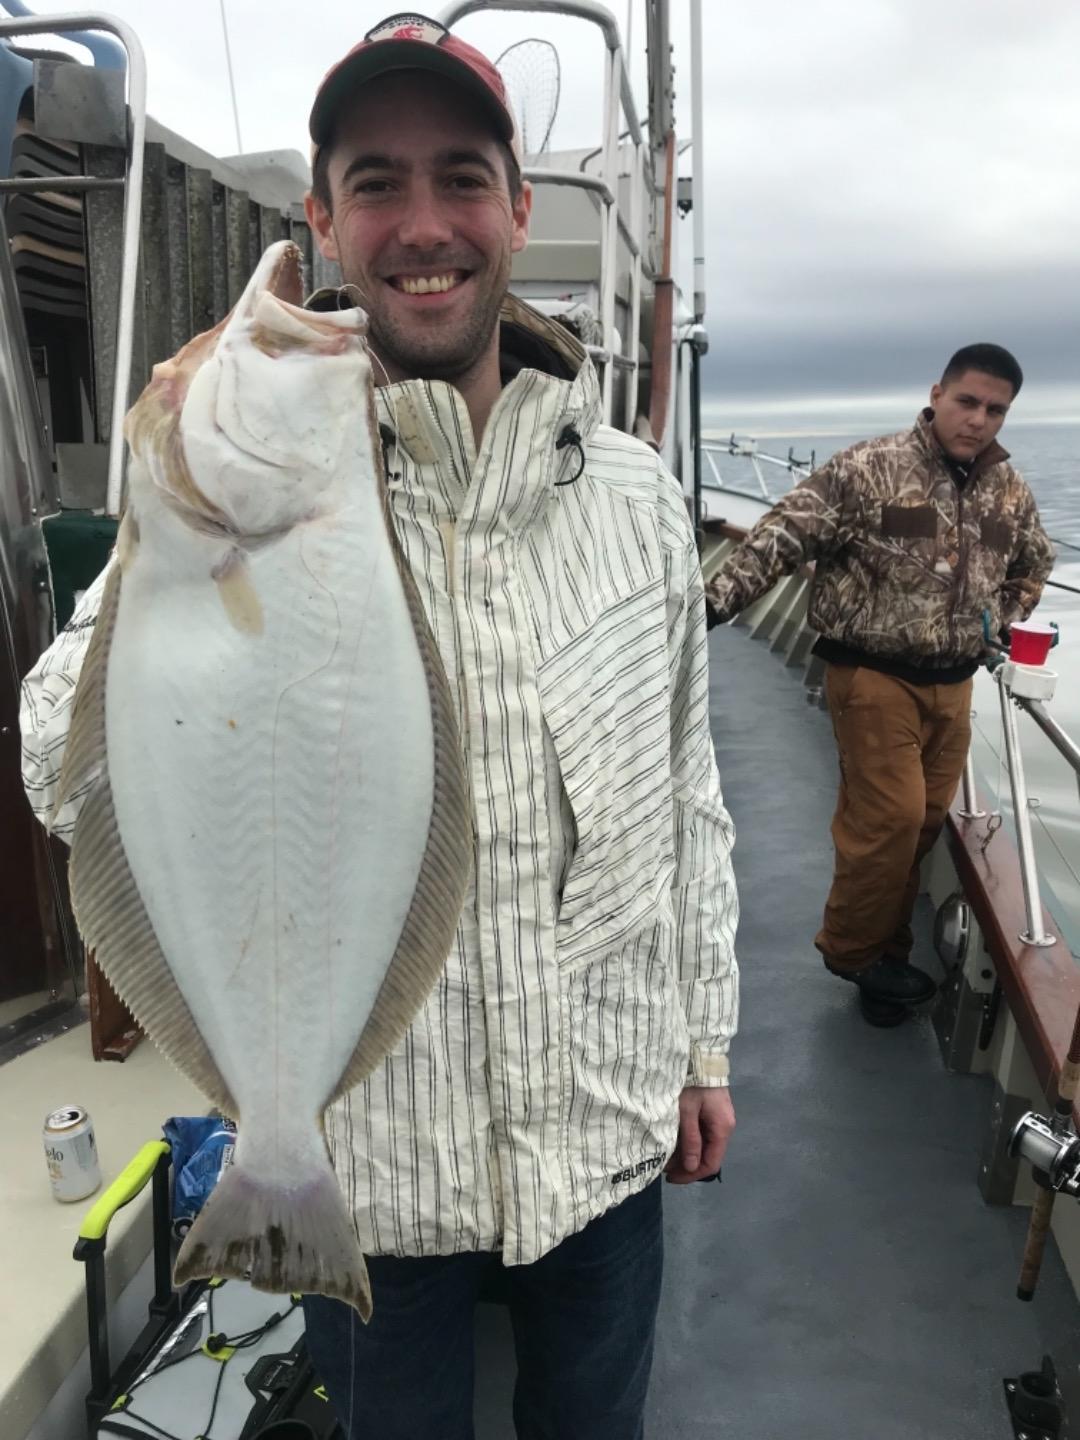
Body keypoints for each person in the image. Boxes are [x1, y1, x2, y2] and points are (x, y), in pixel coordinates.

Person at [19, 13, 739, 1438]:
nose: (425, 225)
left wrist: (703, 1050)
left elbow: (687, 792)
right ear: (324, 221)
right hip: (376, 1176)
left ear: (517, 209)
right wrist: (164, 531)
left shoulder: (640, 499)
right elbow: (60, 766)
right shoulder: (251, 466)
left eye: (463, 177)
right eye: (377, 184)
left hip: (599, 1142)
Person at [705, 343, 1053, 1026]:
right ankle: (854, 952)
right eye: (968, 402)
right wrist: (699, 615)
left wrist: (1001, 618)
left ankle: (887, 950)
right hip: (873, 676)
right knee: (888, 819)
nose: (979, 420)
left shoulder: (1007, 490)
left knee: (922, 825)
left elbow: (1034, 561)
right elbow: (778, 541)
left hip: (954, 685)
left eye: (995, 410)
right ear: (937, 393)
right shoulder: (868, 470)